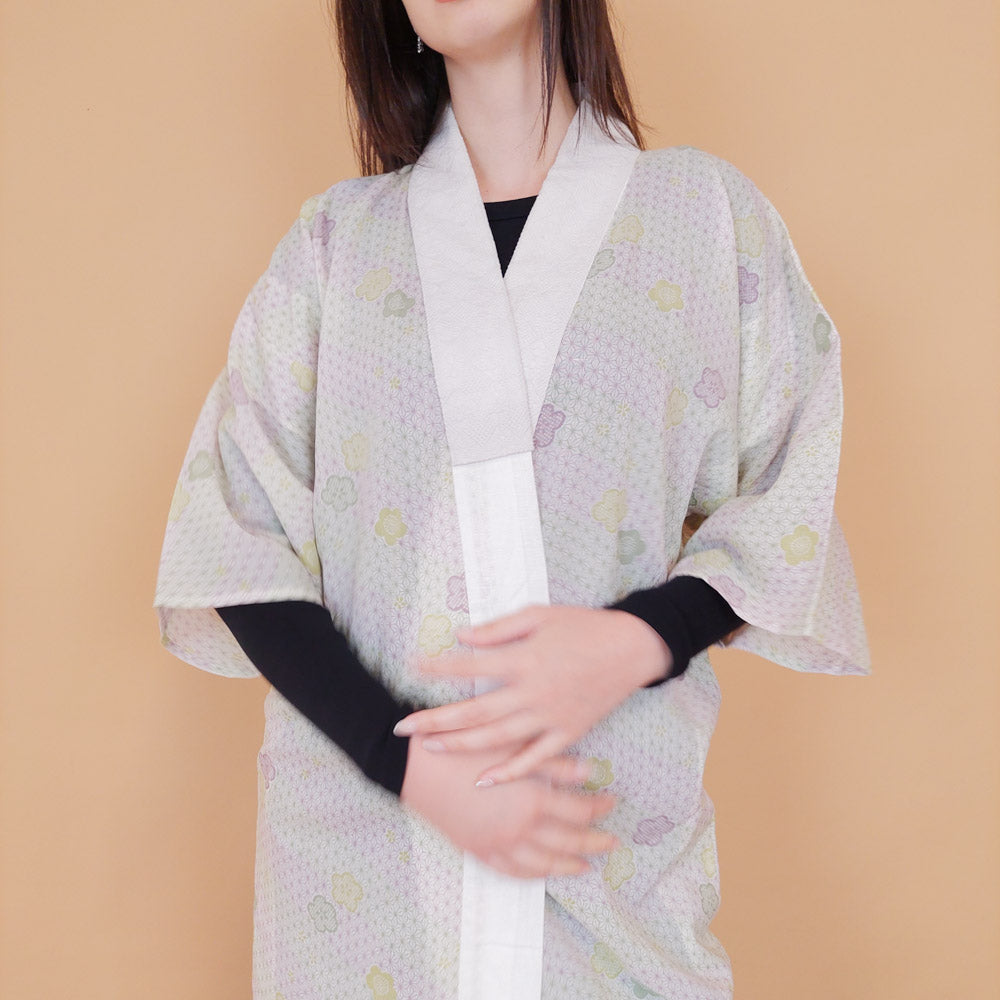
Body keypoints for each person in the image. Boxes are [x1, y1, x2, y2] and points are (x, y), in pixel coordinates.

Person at [154, 1, 870, 997]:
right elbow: (234, 536)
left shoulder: (705, 217)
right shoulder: (333, 245)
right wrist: (409, 766)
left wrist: (641, 638)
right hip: (364, 877)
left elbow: (786, 483)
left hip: (605, 848)